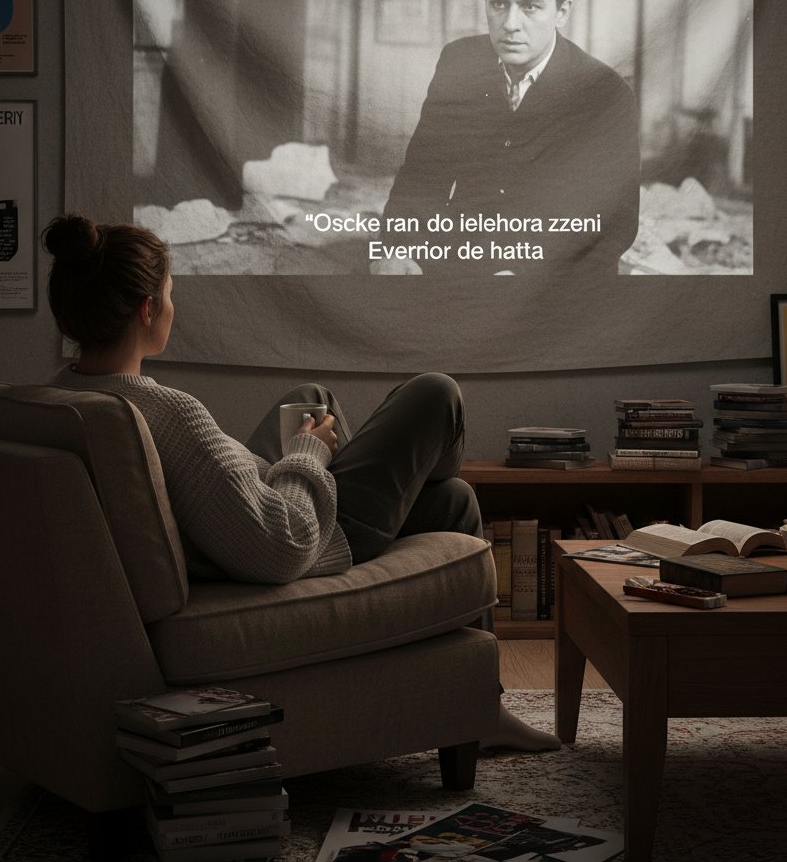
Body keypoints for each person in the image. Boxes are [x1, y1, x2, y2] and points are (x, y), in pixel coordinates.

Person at [42, 213, 559, 752]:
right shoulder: (170, 414)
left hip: (232, 520)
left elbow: (216, 489)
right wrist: (309, 456)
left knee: (313, 398)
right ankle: (483, 705)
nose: (173, 306)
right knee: (437, 401)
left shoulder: (61, 399)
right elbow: (283, 545)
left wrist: (288, 461)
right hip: (308, 538)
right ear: (148, 309)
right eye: (171, 295)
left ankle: (479, 698)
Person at [375, 0, 641, 277]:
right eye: (499, 4)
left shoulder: (605, 92)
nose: (510, 24)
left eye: (530, 6)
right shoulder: (459, 61)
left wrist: (528, 279)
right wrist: (397, 247)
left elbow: (615, 224)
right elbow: (422, 176)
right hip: (463, 260)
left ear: (562, 11)